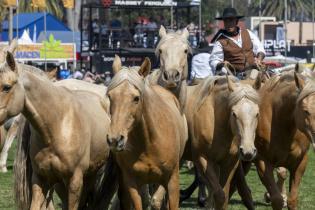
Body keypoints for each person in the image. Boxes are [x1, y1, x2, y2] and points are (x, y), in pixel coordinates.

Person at [210, 7, 265, 77]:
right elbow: (213, 61)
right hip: (235, 78)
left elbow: (260, 48)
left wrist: (259, 59)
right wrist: (222, 65)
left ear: (236, 21)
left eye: (231, 20)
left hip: (254, 72)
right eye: (226, 21)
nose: (228, 23)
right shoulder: (220, 42)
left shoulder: (247, 33)